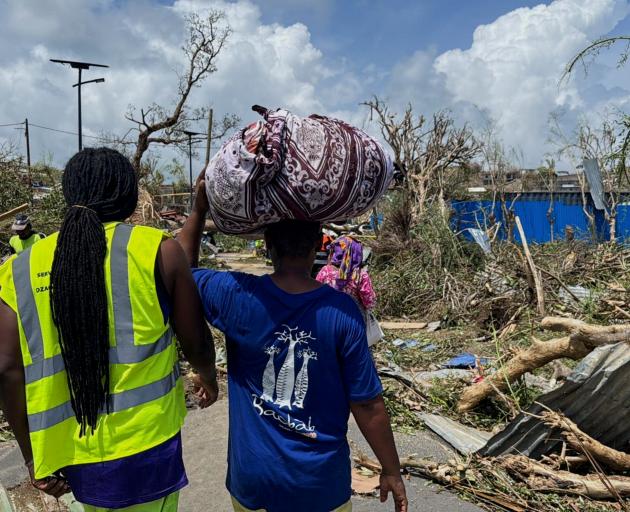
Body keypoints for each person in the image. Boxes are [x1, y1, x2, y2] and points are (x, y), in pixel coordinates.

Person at [0, 148, 218, 511]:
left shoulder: (18, 270)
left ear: (69, 194)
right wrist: (208, 377)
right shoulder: (156, 250)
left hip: (71, 450)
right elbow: (195, 341)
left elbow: (6, 370)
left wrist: (32, 457)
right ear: (129, 196)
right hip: (147, 444)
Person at [178, 175, 408, 512]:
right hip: (319, 485)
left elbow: (180, 275)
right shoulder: (340, 311)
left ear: (268, 245)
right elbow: (367, 405)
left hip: (254, 481)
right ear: (318, 246)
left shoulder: (236, 294)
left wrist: (198, 208)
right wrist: (391, 470)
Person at [316, 236, 376, 314]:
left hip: (328, 315)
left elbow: (316, 293)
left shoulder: (325, 271)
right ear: (355, 252)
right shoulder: (360, 274)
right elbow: (370, 301)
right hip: (353, 318)